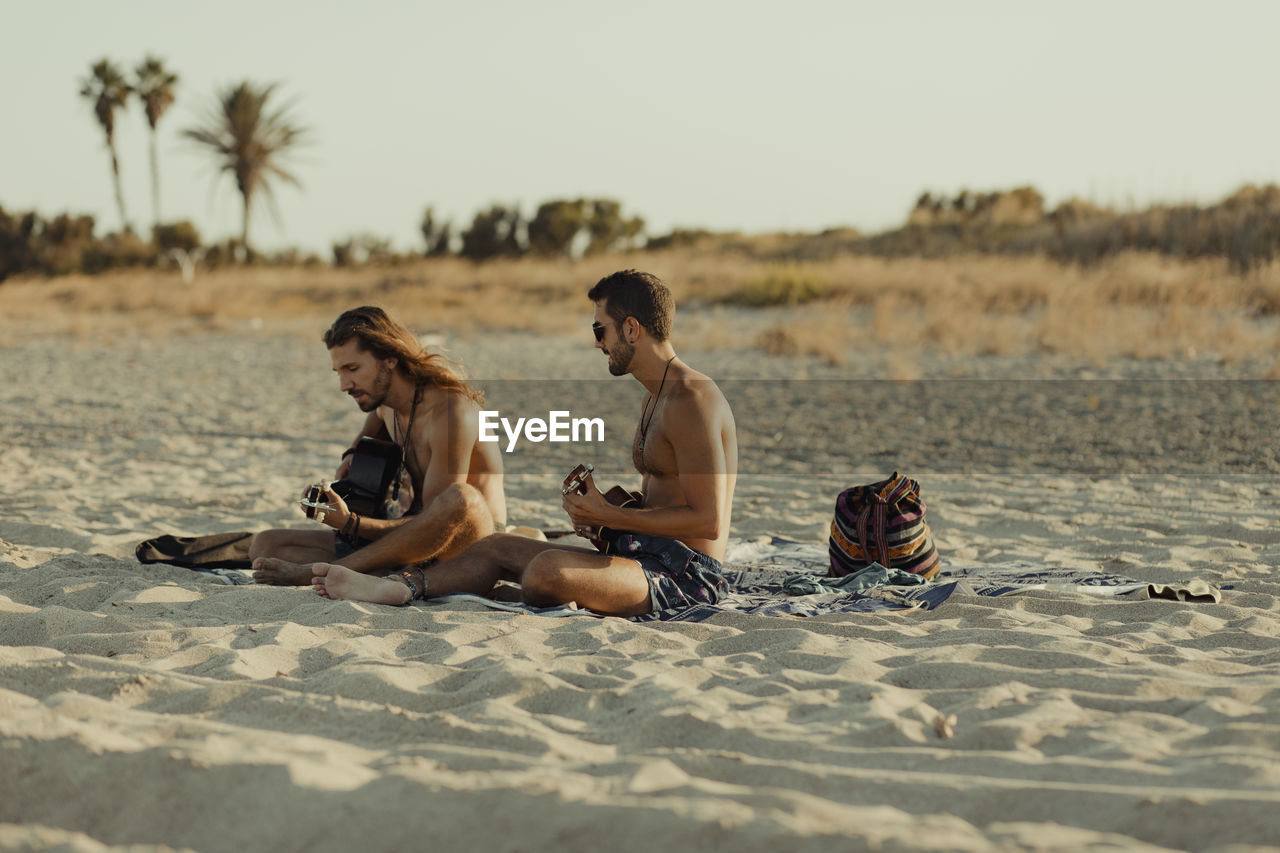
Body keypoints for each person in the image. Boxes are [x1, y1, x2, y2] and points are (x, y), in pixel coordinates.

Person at [310, 269, 738, 617]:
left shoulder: (691, 399)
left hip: (685, 573)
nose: (596, 343)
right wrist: (607, 519)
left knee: (544, 573)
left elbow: (708, 521)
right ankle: (398, 589)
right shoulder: (655, 395)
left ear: (631, 328)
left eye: (600, 329)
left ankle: (399, 585)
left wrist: (611, 514)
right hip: (641, 552)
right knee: (493, 546)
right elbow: (665, 498)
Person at [250, 306, 506, 585]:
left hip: (468, 543)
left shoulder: (450, 413)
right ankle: (374, 571)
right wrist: (350, 460)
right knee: (267, 545)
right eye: (338, 371)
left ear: (390, 359)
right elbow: (363, 440)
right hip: (411, 536)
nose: (344, 385)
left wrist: (351, 524)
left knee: (458, 499)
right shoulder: (385, 406)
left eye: (353, 369)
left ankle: (329, 572)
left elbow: (439, 521)